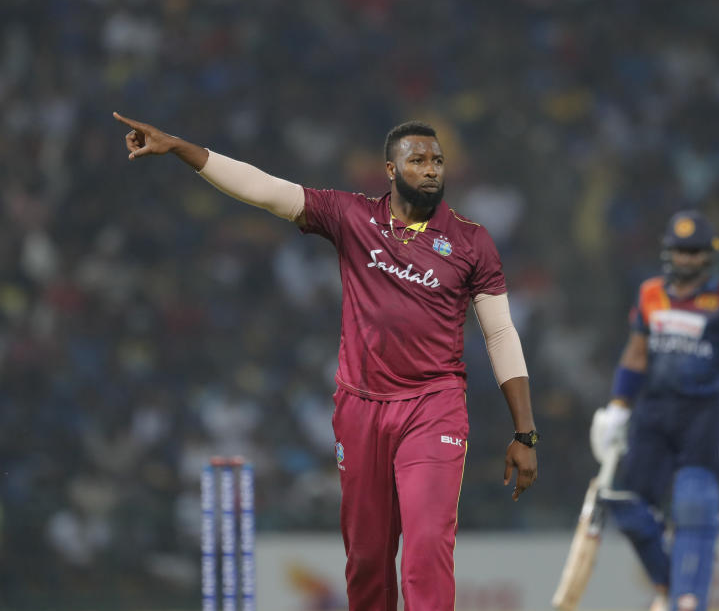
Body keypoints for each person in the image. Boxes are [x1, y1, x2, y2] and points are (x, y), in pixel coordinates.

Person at [112, 112, 539, 611]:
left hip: (434, 406)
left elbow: (501, 333)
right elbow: (265, 189)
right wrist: (181, 147)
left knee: (425, 550)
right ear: (390, 169)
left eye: (438, 161)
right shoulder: (352, 216)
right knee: (367, 562)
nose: (430, 169)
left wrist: (524, 432)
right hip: (360, 407)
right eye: (418, 159)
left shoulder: (471, 241)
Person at [589, 211, 719, 611]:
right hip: (652, 412)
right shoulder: (650, 293)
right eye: (679, 251)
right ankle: (673, 587)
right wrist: (617, 410)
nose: (686, 259)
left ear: (709, 255)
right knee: (628, 505)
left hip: (702, 413)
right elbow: (636, 356)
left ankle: (688, 601)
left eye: (693, 252)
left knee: (695, 503)